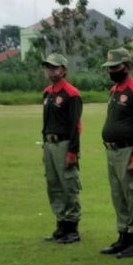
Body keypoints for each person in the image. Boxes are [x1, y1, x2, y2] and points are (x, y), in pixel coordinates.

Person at [99, 48, 133, 258]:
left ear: (127, 66)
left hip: (128, 150)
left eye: (116, 67)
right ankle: (123, 235)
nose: (112, 71)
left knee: (132, 194)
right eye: (109, 68)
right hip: (112, 151)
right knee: (118, 194)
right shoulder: (115, 90)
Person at [41, 53, 82, 244]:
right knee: (54, 185)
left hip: (64, 144)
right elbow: (46, 122)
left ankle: (72, 227)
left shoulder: (71, 94)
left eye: (55, 67)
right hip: (49, 144)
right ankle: (61, 224)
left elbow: (76, 126)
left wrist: (73, 152)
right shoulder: (48, 92)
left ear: (64, 70)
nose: (51, 71)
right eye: (48, 67)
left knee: (68, 184)